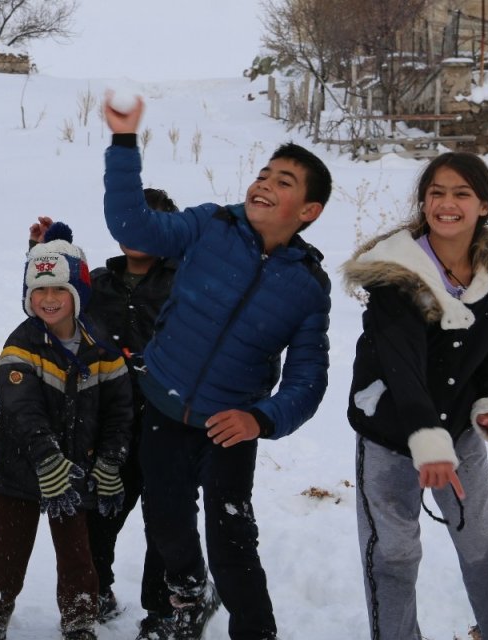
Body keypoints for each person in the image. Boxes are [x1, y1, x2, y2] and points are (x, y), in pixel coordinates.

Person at [102, 97, 334, 640]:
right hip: (161, 401)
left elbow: (308, 380)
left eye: (283, 182)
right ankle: (185, 602)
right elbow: (132, 224)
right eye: (263, 173)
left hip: (230, 425)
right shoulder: (211, 225)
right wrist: (123, 143)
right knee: (167, 524)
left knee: (231, 540)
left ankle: (254, 632)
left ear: (308, 211)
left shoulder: (306, 288)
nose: (265, 184)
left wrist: (261, 418)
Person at [342, 152, 488, 640]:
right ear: (423, 202)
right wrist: (428, 443)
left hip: (459, 432)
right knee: (394, 552)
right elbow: (402, 369)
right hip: (390, 431)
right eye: (437, 192)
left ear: (484, 205)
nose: (447, 203)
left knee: (482, 540)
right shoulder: (394, 277)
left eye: (462, 193)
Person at [27, 188, 179, 640]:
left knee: (165, 518)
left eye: (151, 222)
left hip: (168, 419)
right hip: (106, 417)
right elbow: (53, 299)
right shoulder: (99, 282)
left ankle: (163, 608)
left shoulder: (185, 280)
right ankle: (99, 589)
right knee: (100, 510)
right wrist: (42, 252)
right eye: (131, 221)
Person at [0, 224, 133, 640]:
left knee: (79, 555)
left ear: (77, 294)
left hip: (76, 471)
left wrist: (111, 460)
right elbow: (22, 410)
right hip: (20, 470)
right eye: (38, 291)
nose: (48, 299)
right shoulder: (20, 345)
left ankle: (80, 619)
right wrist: (45, 457)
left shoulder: (102, 348)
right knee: (6, 552)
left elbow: (120, 409)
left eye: (58, 290)